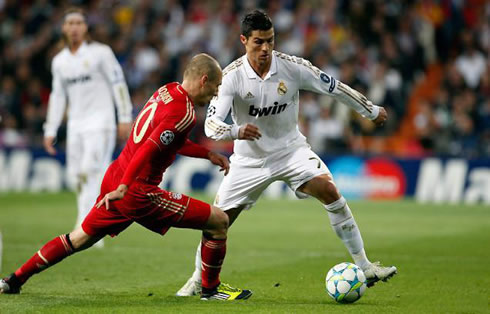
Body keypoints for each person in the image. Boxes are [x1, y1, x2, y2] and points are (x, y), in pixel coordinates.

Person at [176, 10, 397, 296]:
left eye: (270, 41)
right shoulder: (231, 77)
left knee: (330, 191)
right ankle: (197, 279)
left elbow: (334, 88)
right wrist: (236, 131)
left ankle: (365, 266)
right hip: (248, 161)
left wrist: (370, 109)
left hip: (291, 151)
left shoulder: (293, 68)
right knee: (217, 220)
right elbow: (211, 125)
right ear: (244, 40)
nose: (266, 48)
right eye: (258, 42)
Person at [0, 53, 252, 301]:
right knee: (218, 221)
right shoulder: (185, 113)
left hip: (116, 174)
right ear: (203, 80)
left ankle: (14, 279)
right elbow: (149, 148)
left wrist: (207, 154)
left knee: (78, 238)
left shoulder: (167, 91)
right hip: (137, 190)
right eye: (216, 86)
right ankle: (210, 290)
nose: (217, 93)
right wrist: (124, 187)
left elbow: (169, 140)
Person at [43, 8, 133, 248]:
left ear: (85, 28)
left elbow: (119, 84)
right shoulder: (60, 61)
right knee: (77, 176)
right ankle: (89, 225)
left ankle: (88, 229)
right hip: (76, 126)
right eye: (70, 23)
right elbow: (58, 96)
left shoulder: (101, 53)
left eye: (79, 23)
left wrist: (124, 115)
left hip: (100, 122)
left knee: (90, 170)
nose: (74, 27)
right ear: (63, 28)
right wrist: (50, 128)